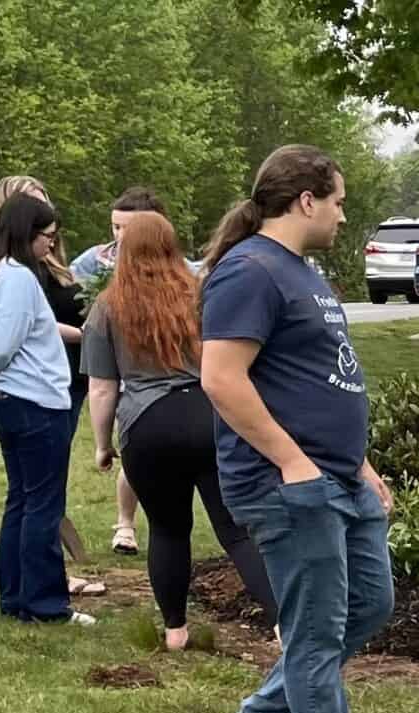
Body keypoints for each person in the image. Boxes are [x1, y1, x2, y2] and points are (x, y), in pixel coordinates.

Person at [200, 144, 406, 713]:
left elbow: (321, 379)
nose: (345, 216)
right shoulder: (250, 272)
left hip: (338, 477)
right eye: (340, 201)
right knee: (316, 627)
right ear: (307, 200)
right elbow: (220, 378)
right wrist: (292, 461)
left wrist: (361, 464)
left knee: (371, 603)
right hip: (287, 483)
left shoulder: (301, 272)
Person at [86, 211, 280, 651]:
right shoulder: (201, 294)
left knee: (168, 529)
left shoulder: (107, 306)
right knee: (235, 531)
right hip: (210, 417)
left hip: (148, 426)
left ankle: (175, 631)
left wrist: (102, 445)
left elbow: (102, 388)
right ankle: (283, 623)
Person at [0, 175, 108, 593]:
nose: (51, 243)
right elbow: (6, 341)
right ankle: (45, 600)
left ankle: (15, 595)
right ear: (25, 231)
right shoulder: (19, 277)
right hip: (32, 399)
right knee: (43, 505)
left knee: (22, 501)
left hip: (7, 398)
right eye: (47, 235)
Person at [70, 186, 176, 555]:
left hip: (164, 379)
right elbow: (70, 294)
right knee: (132, 457)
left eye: (128, 228)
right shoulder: (94, 262)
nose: (120, 237)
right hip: (126, 375)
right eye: (115, 227)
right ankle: (125, 525)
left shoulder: (183, 274)